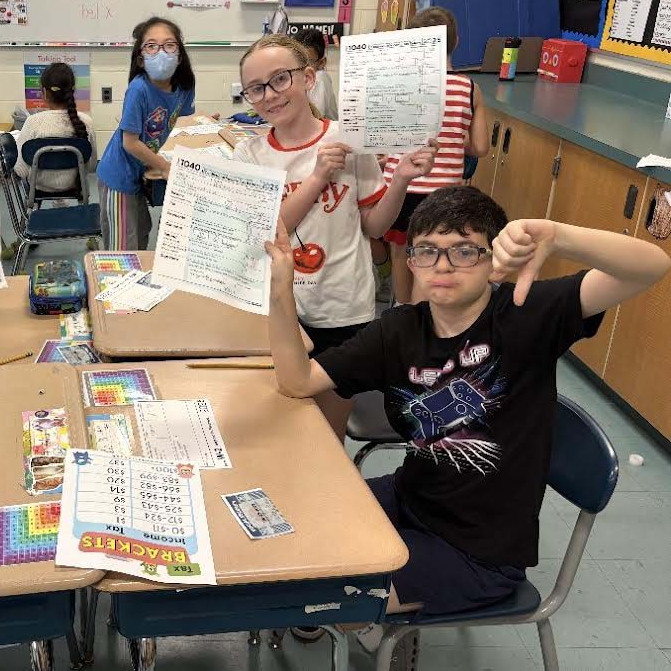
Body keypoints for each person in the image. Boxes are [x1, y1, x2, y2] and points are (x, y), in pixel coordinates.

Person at [264, 186, 670, 654]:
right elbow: (297, 381)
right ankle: (383, 620)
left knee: (332, 592)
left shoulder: (526, 316)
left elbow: (651, 266)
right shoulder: (399, 329)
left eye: (463, 251)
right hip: (409, 499)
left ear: (494, 259)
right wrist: (280, 290)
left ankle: (383, 630)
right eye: (428, 251)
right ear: (409, 260)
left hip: (479, 552)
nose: (442, 266)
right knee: (298, 526)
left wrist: (559, 236)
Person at [233, 33, 436, 442]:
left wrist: (400, 180)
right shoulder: (251, 155)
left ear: (307, 78)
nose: (270, 95)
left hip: (345, 309)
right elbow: (270, 235)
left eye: (280, 79)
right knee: (282, 424)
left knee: (327, 432)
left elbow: (375, 228)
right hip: (283, 310)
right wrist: (318, 178)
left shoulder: (348, 140)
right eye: (256, 88)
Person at [382, 6, 490, 304]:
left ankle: (403, 312)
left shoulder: (398, 83)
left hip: (400, 188)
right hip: (443, 194)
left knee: (402, 249)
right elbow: (480, 147)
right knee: (430, 253)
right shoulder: (469, 88)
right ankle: (424, 314)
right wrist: (455, 139)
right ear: (455, 43)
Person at [96, 16, 197, 250]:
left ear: (180, 54)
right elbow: (129, 143)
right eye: (151, 46)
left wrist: (203, 122)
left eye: (169, 45)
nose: (161, 52)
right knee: (123, 247)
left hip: (141, 170)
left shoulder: (185, 85)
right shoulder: (139, 89)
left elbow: (183, 120)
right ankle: (119, 283)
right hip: (118, 176)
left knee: (141, 232)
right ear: (141, 59)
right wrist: (163, 166)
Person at [15, 61, 95, 194]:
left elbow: (20, 169)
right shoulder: (86, 122)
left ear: (44, 92)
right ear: (72, 91)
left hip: (39, 187)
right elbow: (91, 166)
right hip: (74, 185)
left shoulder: (33, 122)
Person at [293, 28, 337, 120]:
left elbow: (314, 117)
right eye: (297, 61)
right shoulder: (297, 79)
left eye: (308, 62)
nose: (301, 67)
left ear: (321, 63)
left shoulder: (320, 78)